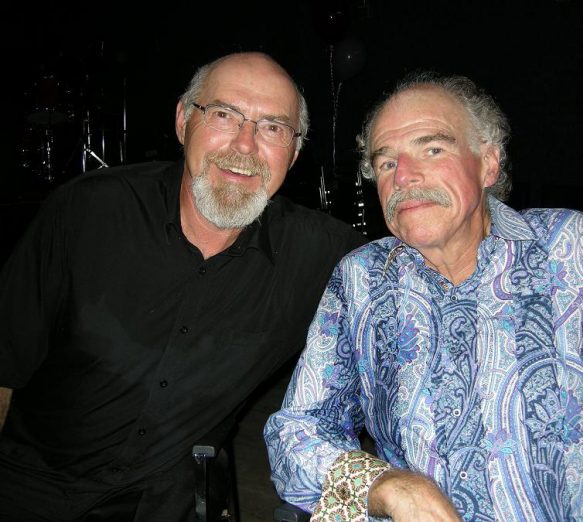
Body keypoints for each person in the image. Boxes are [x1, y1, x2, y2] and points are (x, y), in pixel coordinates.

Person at [264, 72, 583, 521]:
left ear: (488, 164)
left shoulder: (574, 250)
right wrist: (383, 484)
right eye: (387, 162)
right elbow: (297, 430)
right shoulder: (362, 280)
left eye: (433, 148)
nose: (405, 176)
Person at [0, 52, 365, 521]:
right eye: (223, 114)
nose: (245, 145)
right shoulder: (88, 213)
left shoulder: (321, 254)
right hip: (28, 488)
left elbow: (419, 273)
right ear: (181, 120)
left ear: (293, 154)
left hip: (162, 504)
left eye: (273, 127)